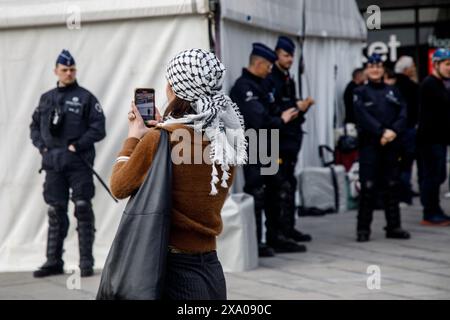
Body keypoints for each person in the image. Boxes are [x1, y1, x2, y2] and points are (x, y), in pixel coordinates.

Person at [110, 48, 247, 300]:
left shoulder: (161, 139)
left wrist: (133, 138)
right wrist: (165, 127)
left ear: (173, 90)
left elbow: (118, 186)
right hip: (212, 267)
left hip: (173, 267)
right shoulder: (228, 138)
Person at [30, 50, 106, 277]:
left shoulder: (86, 97)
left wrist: (78, 145)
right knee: (55, 211)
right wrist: (42, 147)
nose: (69, 73)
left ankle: (86, 263)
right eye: (64, 70)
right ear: (56, 71)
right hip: (53, 164)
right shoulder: (46, 98)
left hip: (78, 163)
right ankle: (53, 261)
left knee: (82, 208)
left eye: (72, 69)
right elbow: (34, 126)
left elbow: (99, 128)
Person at [230, 43, 305, 257]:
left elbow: (271, 110)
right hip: (256, 143)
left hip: (270, 143)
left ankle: (276, 236)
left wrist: (278, 117)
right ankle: (255, 241)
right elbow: (257, 119)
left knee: (276, 190)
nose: (271, 70)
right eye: (269, 66)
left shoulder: (263, 85)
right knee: (257, 193)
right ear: (259, 63)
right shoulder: (243, 86)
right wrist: (279, 119)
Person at [353, 53, 410, 242]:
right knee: (368, 187)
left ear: (383, 69)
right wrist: (381, 132)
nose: (375, 69)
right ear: (366, 69)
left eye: (378, 66)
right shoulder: (360, 92)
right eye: (371, 66)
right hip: (370, 145)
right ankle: (363, 229)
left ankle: (394, 226)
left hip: (391, 144)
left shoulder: (393, 91)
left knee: (392, 185)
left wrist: (393, 131)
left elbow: (403, 112)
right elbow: (361, 115)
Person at [263, 36, 314, 244]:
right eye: (286, 55)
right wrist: (295, 108)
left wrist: (301, 108)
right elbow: (272, 112)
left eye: (292, 55)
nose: (290, 59)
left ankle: (288, 227)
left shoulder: (286, 77)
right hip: (276, 141)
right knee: (277, 188)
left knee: (289, 185)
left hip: (290, 141)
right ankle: (276, 233)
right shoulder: (271, 78)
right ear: (276, 54)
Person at [417, 48, 450, 226]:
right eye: (446, 64)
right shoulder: (430, 84)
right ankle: (430, 212)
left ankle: (434, 209)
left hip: (438, 139)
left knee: (438, 175)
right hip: (430, 140)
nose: (449, 68)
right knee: (432, 176)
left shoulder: (442, 84)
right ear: (436, 65)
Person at [393, 56, 420, 205]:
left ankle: (401, 190)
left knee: (398, 162)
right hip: (407, 128)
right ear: (406, 69)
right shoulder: (411, 86)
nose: (414, 69)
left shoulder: (392, 84)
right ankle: (405, 191)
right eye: (412, 67)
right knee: (406, 162)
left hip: (395, 129)